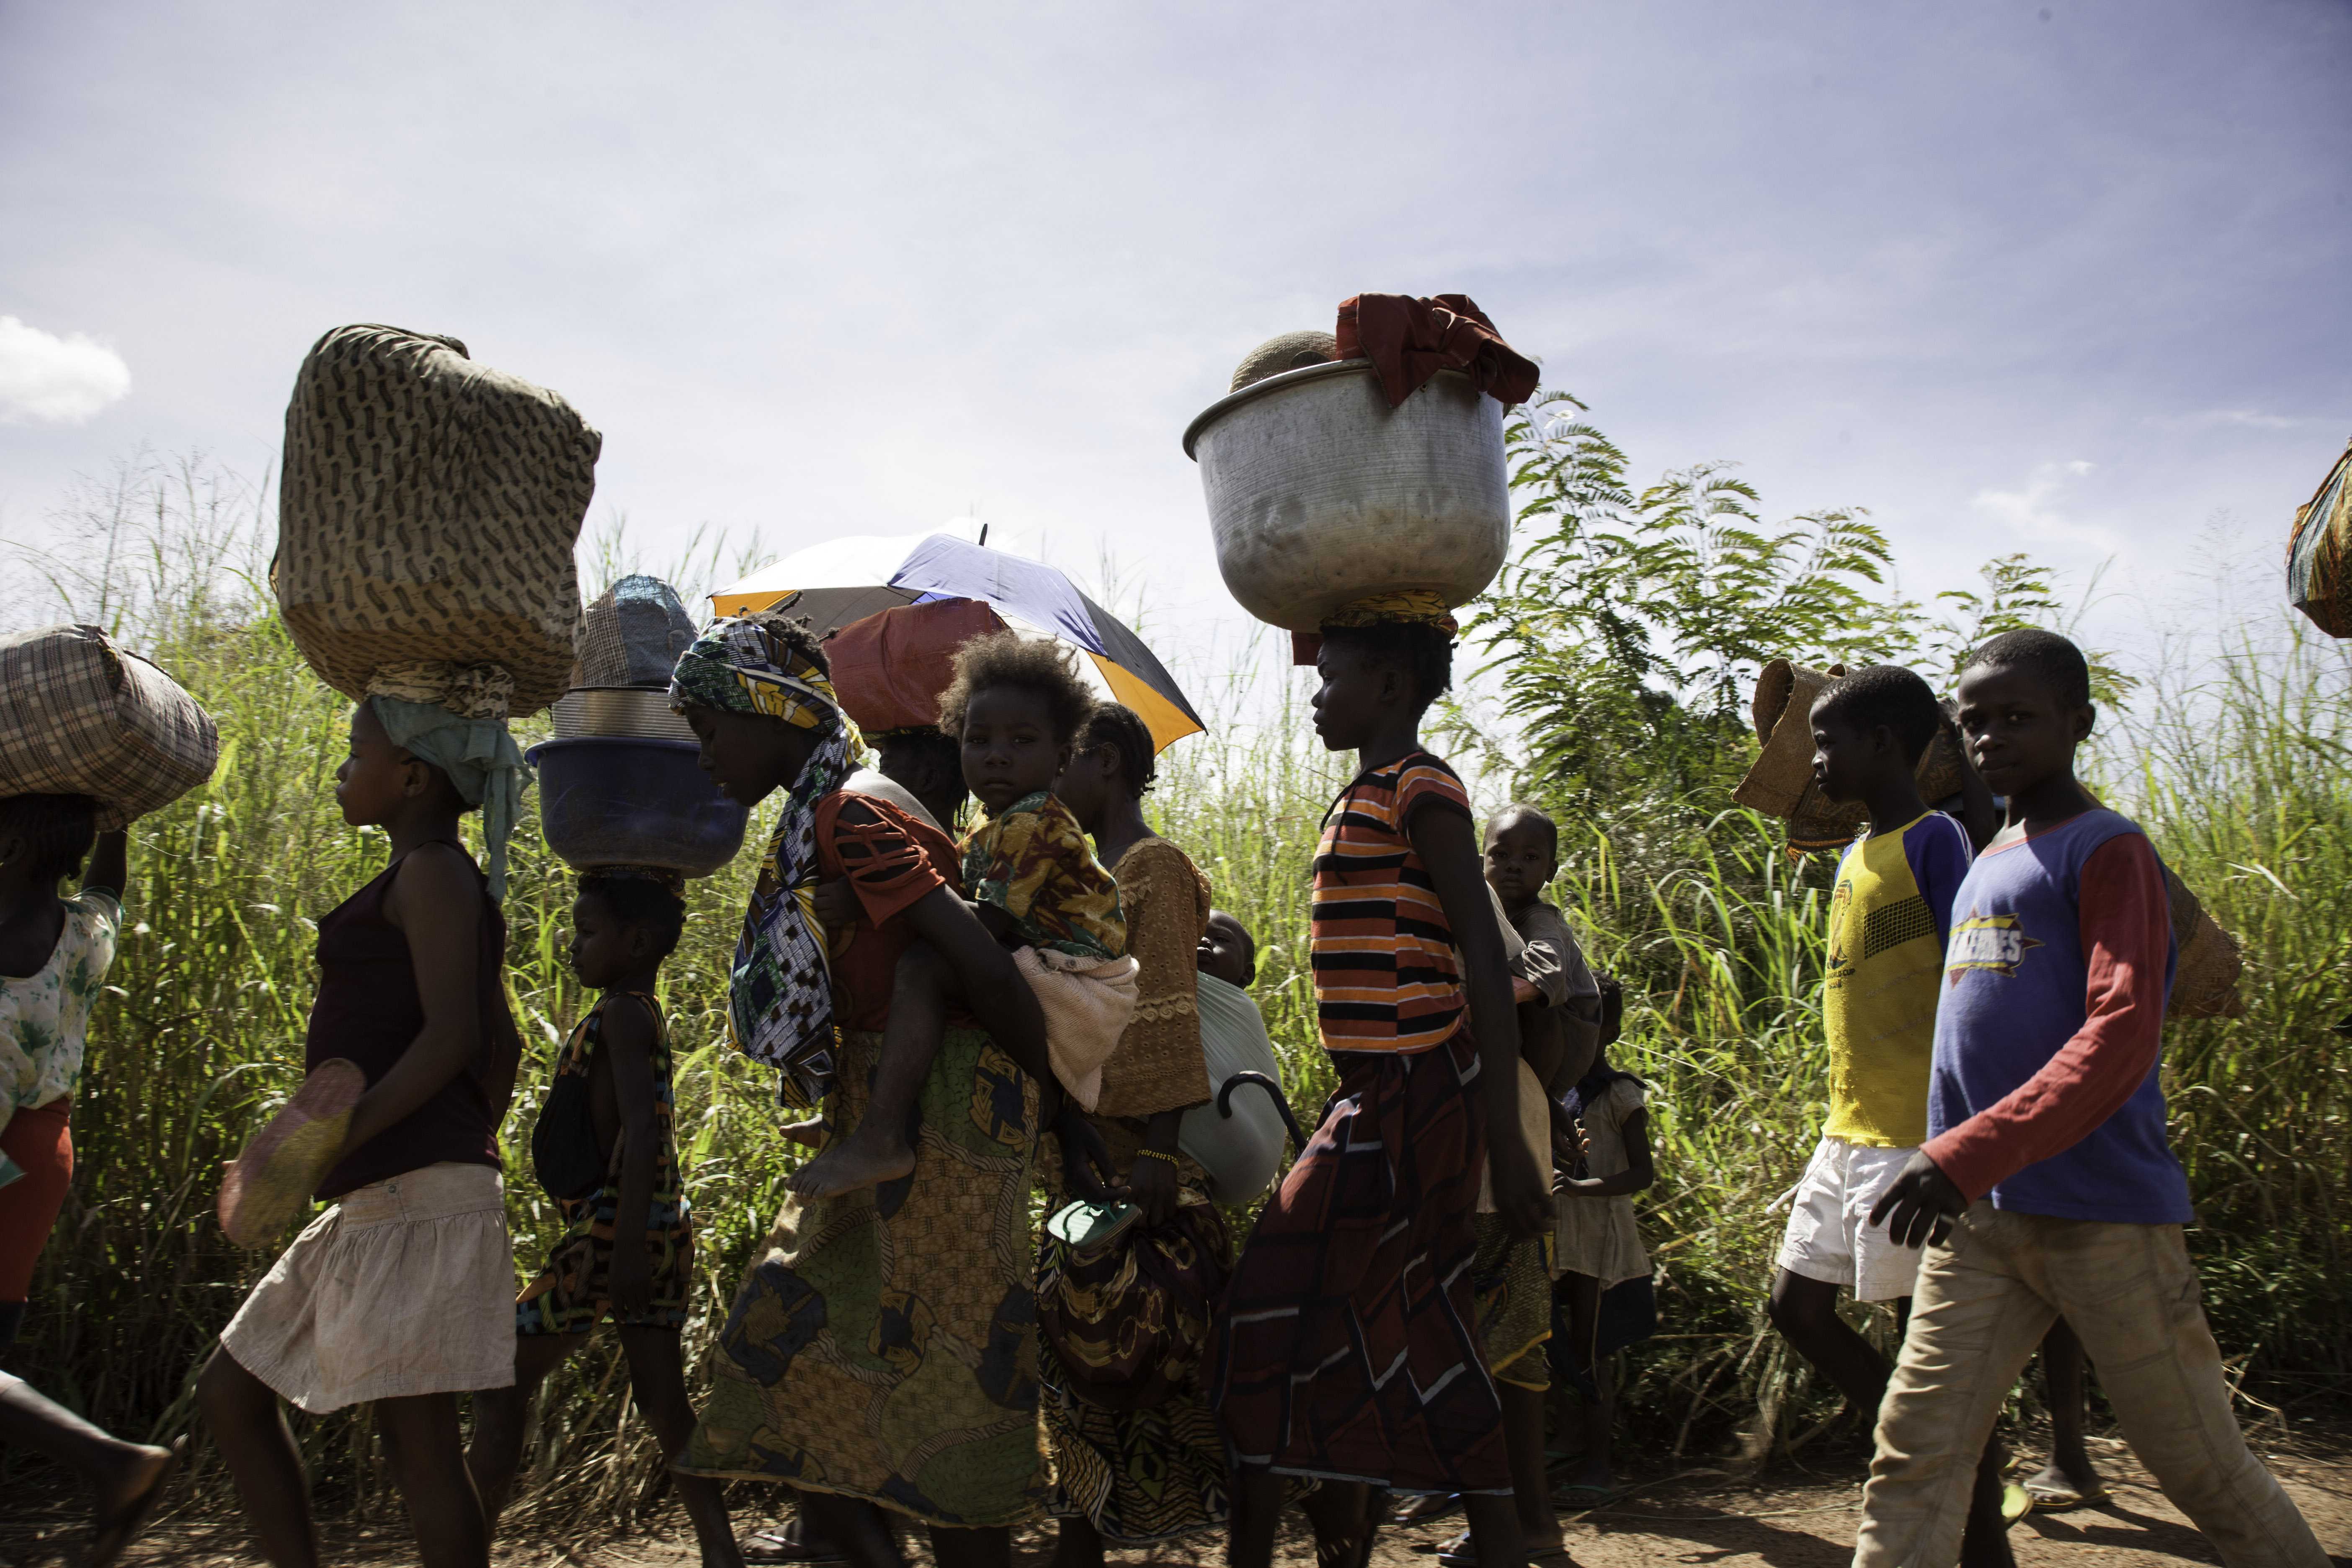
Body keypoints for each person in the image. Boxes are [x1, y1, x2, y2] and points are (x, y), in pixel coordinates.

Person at [1861, 629, 2328, 1568]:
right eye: (1974, 721)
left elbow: (2120, 1038)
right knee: (1915, 1456)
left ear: (2079, 724)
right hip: (1983, 1222)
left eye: (2019, 718)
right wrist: (1961, 1162)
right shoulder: (1986, 857)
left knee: (2199, 1466)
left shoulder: (2108, 850)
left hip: (2099, 1213)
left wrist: (1962, 1153)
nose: (1991, 736)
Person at [668, 614, 1071, 1568]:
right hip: (892, 1106)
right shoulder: (831, 816)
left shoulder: (853, 812)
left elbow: (978, 965)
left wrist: (1068, 1113)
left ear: (773, 714)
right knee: (826, 1379)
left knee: (930, 1390)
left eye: (710, 729)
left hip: (942, 1118)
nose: (703, 756)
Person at [1210, 601, 1550, 1568]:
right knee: (1412, 1312)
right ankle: (1491, 1536)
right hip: (1388, 1088)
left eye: (1335, 677)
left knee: (1268, 1309)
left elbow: (1484, 955)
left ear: (1390, 687)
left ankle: (1261, 1548)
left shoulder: (1420, 786)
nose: (1317, 695)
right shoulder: (1372, 792)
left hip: (1418, 1088)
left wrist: (1509, 1140)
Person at [197, 680, 528, 1568]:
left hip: (408, 1189)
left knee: (419, 1452)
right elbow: (504, 1050)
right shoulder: (428, 878)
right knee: (232, 1391)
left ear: (414, 778)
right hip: (388, 1189)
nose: (343, 772)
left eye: (356, 756)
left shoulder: (433, 874)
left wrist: (341, 1137)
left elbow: (457, 1036)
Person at [1755, 665, 2018, 1551]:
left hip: (1916, 1133)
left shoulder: (1935, 841)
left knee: (1928, 1359)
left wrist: (1958, 1135)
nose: (1816, 762)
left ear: (1881, 746)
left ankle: (1978, 1528)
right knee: (1796, 1308)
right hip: (1847, 1131)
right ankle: (1918, 1445)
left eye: (1827, 744)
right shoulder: (1853, 856)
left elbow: (1974, 980)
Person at [787, 632, 1134, 1201]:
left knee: (926, 964)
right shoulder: (993, 822)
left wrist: (871, 900)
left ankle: (880, 1135)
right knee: (924, 964)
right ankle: (858, 1114)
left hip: (1084, 990)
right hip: (1047, 969)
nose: (997, 754)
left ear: (1062, 759)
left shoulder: (1035, 824)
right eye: (979, 740)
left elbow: (982, 930)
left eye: (1022, 741)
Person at [465, 872, 740, 1566]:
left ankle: (462, 1543)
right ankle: (719, 1548)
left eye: (587, 931)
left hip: (612, 1234)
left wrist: (619, 1249)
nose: (573, 945)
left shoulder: (622, 1013)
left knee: (502, 1374)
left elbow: (644, 1128)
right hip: (644, 1228)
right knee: (660, 1394)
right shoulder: (629, 1008)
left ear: (636, 940)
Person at [1033, 701, 1229, 1561]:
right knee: (1079, 1360)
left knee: (1135, 1353)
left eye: (1060, 760)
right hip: (1081, 1160)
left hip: (1139, 1164)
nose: (1046, 779)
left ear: (1105, 763)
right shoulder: (1082, 873)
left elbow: (1168, 1015)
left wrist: (1157, 1146)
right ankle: (1086, 1533)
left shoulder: (1153, 867)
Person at [0, 794, 182, 1564]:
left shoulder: (2, 946)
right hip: (44, 1159)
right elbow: (111, 888)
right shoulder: (84, 931)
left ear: (7, 846)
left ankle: (111, 1459)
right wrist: (119, 812)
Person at [1550, 1036, 1653, 1506]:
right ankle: (1569, 1436)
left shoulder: (1621, 1094)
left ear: (1606, 1032)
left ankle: (1600, 1466)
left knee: (1591, 1352)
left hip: (1600, 1237)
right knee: (1548, 1342)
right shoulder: (1562, 1090)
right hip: (1562, 1236)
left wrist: (1579, 1188)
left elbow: (1642, 1175)